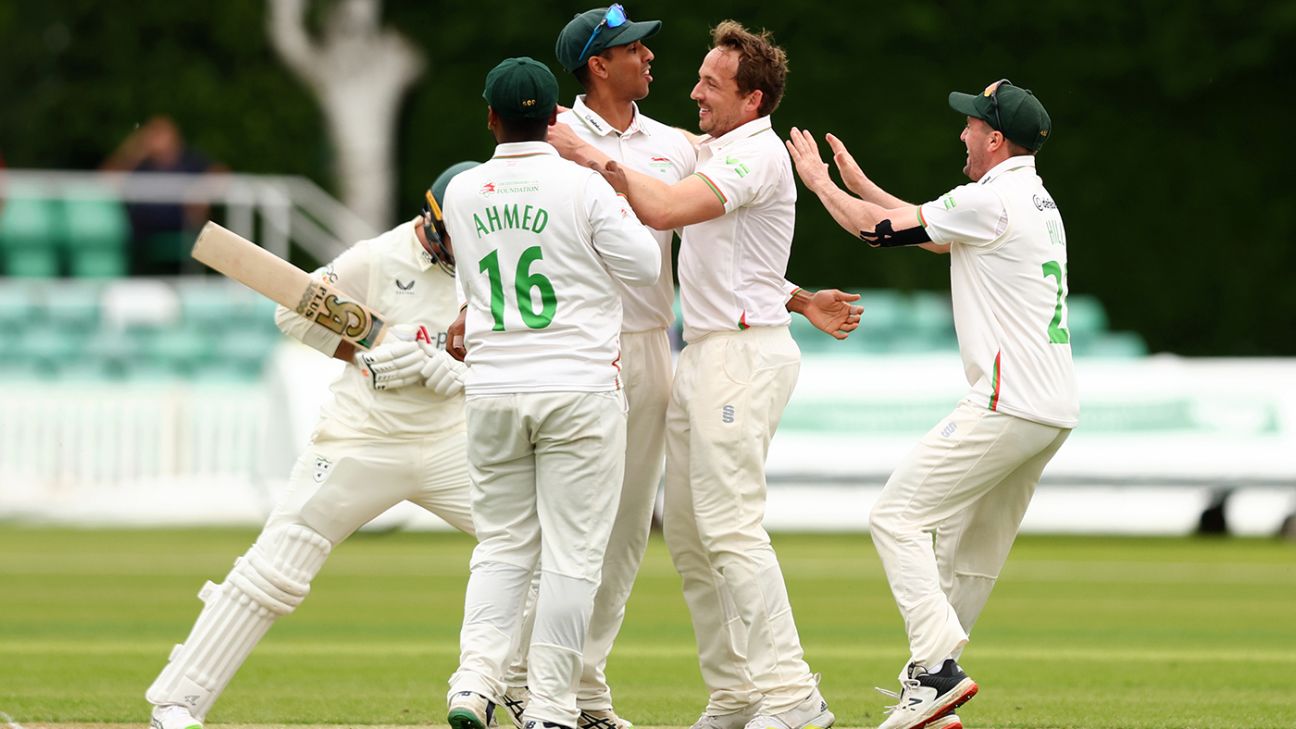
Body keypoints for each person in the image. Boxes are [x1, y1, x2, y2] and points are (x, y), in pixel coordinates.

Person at [470, 10, 862, 729]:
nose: (656, 61)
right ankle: (532, 682)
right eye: (633, 48)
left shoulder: (680, 148)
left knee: (629, 540)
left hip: (660, 348)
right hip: (572, 350)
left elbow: (715, 224)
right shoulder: (545, 137)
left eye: (707, 80)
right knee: (640, 533)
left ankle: (586, 691)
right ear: (598, 64)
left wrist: (797, 297)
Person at [785, 79, 1078, 729]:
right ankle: (931, 692)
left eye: (974, 124)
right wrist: (860, 183)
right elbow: (939, 232)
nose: (963, 132)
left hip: (1009, 398)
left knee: (896, 516)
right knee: (969, 556)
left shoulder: (990, 198)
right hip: (1052, 406)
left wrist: (821, 184)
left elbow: (881, 234)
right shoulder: (1031, 198)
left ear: (996, 139)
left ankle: (937, 670)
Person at [145, 162, 480, 729]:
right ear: (433, 218)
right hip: (363, 437)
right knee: (277, 566)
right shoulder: (376, 258)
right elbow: (292, 311)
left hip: (452, 441)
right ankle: (178, 702)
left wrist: (468, 373)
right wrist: (364, 354)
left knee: (532, 550)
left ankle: (516, 693)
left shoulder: (497, 265)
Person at [440, 57, 660, 729]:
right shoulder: (583, 187)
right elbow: (647, 266)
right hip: (577, 386)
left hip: (495, 386)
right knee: (572, 556)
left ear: (491, 117)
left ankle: (474, 679)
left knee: (503, 546)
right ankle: (552, 706)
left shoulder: (462, 191)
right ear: (555, 118)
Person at [102, 116, 227, 275]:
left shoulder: (189, 161)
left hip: (181, 231)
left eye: (161, 134)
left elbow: (221, 174)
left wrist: (202, 191)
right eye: (153, 134)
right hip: (141, 236)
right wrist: (135, 150)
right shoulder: (141, 163)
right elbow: (106, 179)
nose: (157, 140)